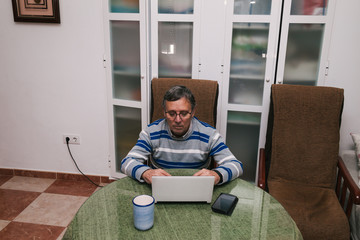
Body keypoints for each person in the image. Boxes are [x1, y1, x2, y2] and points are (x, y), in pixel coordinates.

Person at [120, 85, 243, 185]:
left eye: (184, 113)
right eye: (172, 113)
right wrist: (146, 173)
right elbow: (126, 162)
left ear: (193, 112)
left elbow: (236, 165)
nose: (178, 120)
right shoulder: (150, 132)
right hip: (160, 188)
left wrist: (217, 175)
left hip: (197, 188)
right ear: (164, 112)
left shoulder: (210, 134)